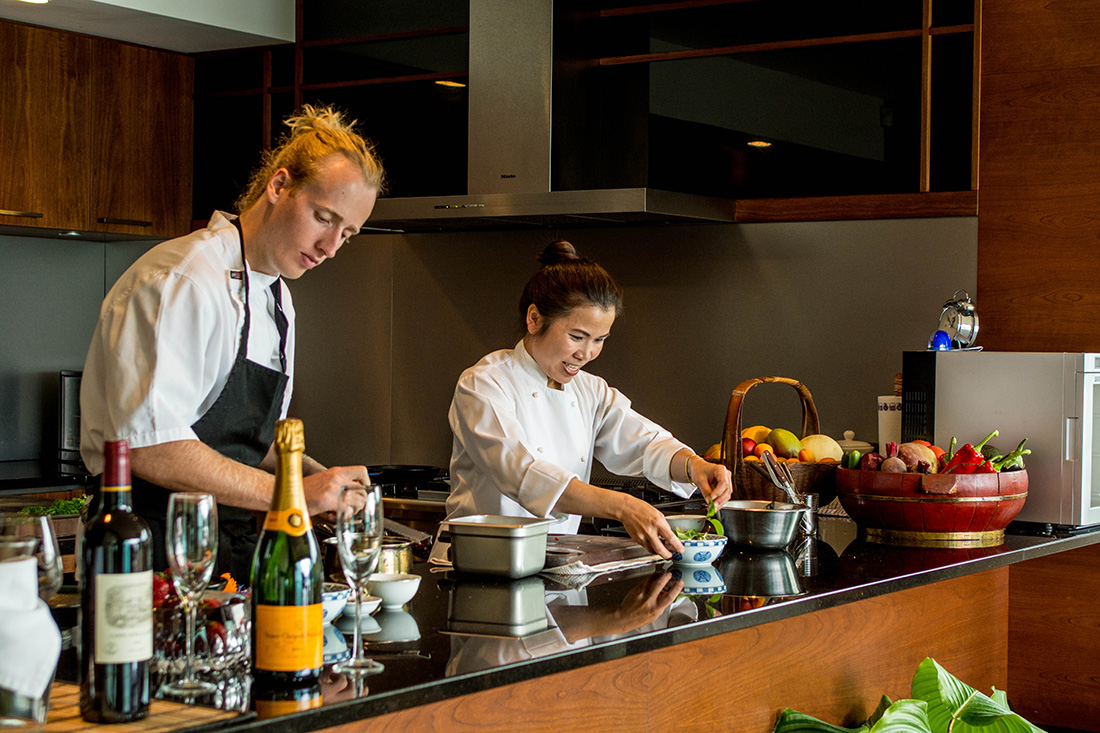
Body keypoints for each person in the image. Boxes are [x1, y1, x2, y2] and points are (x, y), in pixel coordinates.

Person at [80, 104, 385, 583]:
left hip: (233, 552)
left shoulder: (277, 298)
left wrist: (325, 482)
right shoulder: (183, 280)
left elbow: (249, 442)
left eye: (347, 234)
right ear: (279, 186)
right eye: (324, 217)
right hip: (151, 551)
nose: (330, 248)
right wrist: (294, 492)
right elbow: (150, 445)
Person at [446, 241, 733, 559]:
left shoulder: (589, 390)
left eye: (599, 340)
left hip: (556, 563)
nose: (586, 354)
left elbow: (644, 442)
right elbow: (523, 474)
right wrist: (622, 506)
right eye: (577, 337)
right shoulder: (484, 384)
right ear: (534, 319)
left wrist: (696, 467)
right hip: (480, 564)